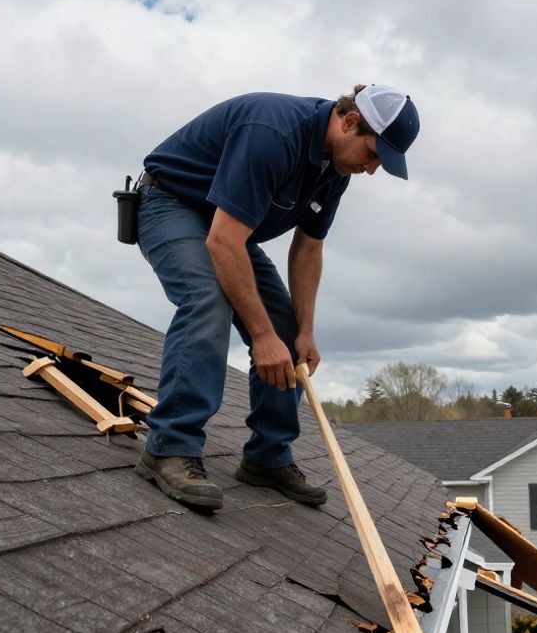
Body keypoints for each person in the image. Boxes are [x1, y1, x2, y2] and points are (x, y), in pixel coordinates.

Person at [132, 85, 420, 510]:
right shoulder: (273, 132)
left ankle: (267, 457)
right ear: (349, 122)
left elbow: (308, 248)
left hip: (227, 226)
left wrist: (303, 331)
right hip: (172, 204)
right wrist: (261, 335)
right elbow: (223, 243)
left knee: (285, 333)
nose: (372, 169)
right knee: (208, 301)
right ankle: (169, 447)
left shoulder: (335, 167)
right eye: (374, 154)